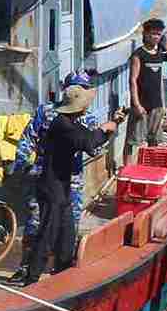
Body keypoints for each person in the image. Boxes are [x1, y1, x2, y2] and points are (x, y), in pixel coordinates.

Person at [17, 84, 125, 285]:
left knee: (67, 231)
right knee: (48, 233)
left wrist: (112, 125)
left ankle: (63, 273)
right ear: (79, 107)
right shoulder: (62, 125)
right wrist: (105, 128)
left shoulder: (70, 122)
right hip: (51, 187)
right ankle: (31, 280)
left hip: (62, 186)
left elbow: (89, 139)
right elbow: (87, 142)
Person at [13, 68, 102, 277]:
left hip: (71, 177)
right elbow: (28, 137)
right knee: (37, 221)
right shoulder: (45, 111)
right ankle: (27, 268)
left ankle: (60, 269)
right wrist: (22, 164)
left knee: (69, 223)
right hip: (45, 174)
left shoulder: (87, 118)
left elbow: (94, 148)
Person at [129, 19, 167, 151]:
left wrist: (163, 105)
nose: (156, 37)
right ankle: (127, 167)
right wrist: (136, 104)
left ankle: (150, 167)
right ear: (146, 34)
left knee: (155, 140)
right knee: (133, 140)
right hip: (142, 104)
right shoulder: (138, 55)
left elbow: (160, 81)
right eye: (153, 34)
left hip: (157, 105)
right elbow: (133, 80)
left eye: (159, 34)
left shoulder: (159, 53)